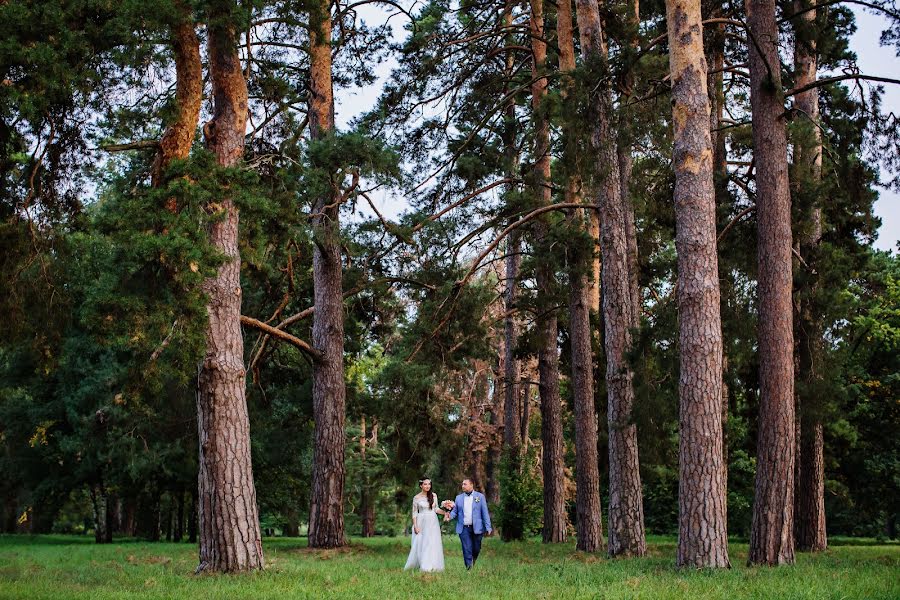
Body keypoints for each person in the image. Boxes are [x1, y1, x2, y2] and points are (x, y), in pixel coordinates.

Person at [445, 478, 492, 570]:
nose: (463, 486)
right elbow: (455, 512)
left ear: (471, 485)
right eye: (462, 484)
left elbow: (485, 512)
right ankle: (469, 568)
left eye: (465, 484)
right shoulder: (458, 498)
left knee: (476, 548)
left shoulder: (480, 497)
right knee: (467, 548)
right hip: (464, 528)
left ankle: (473, 560)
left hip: (477, 527)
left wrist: (488, 527)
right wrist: (449, 516)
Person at [404, 477, 449, 572]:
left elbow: (436, 509)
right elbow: (414, 512)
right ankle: (423, 564)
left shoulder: (434, 496)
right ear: (421, 485)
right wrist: (415, 525)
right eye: (425, 484)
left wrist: (445, 512)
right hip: (421, 521)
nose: (427, 486)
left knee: (432, 542)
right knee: (422, 542)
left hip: (432, 521)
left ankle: (432, 564)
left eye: (429, 484)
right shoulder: (416, 498)